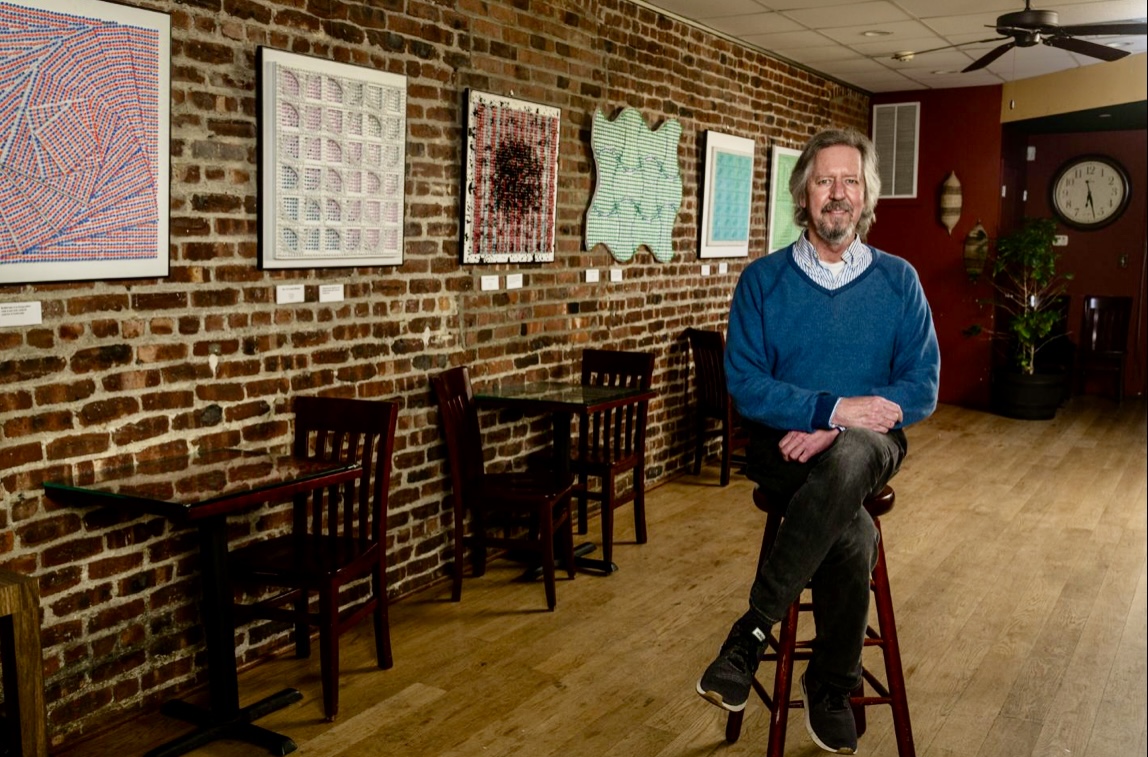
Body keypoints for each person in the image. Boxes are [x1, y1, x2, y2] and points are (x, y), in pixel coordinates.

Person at [695, 128, 939, 754]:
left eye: (850, 181)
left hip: (872, 446)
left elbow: (922, 385)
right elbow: (745, 384)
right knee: (852, 533)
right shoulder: (762, 283)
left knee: (854, 452)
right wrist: (829, 407)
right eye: (825, 180)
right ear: (803, 195)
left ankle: (750, 633)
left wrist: (838, 427)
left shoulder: (899, 281)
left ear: (867, 196)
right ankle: (832, 686)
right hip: (784, 454)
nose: (838, 193)